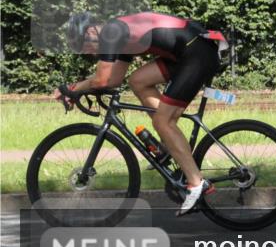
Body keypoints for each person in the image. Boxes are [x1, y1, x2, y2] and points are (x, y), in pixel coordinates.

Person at [58, 11, 225, 215]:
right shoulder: (120, 36)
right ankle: (169, 142)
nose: (89, 52)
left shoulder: (111, 32)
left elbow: (101, 80)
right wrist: (79, 89)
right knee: (137, 81)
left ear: (92, 30)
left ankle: (197, 184)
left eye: (85, 44)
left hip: (196, 52)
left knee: (163, 122)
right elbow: (113, 80)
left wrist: (72, 88)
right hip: (186, 51)